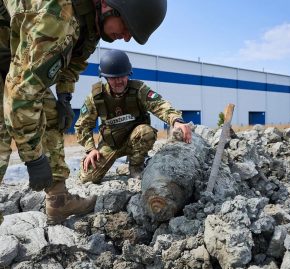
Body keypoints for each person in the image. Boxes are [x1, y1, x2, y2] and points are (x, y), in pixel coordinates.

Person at [1, 0, 167, 224]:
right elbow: (21, 96)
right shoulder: (56, 19)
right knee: (3, 129)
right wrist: (33, 159)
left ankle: (58, 201)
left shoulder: (90, 25)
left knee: (51, 114)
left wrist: (64, 96)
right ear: (110, 6)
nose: (127, 37)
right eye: (127, 27)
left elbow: (73, 62)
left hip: (8, 48)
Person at [75, 49, 192, 183]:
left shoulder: (139, 90)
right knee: (88, 178)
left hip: (136, 138)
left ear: (128, 74)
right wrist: (91, 149)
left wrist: (176, 120)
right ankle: (121, 167)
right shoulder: (96, 98)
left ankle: (136, 166)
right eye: (113, 78)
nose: (119, 81)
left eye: (122, 76)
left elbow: (159, 105)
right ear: (106, 78)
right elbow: (82, 126)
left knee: (145, 132)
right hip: (111, 143)